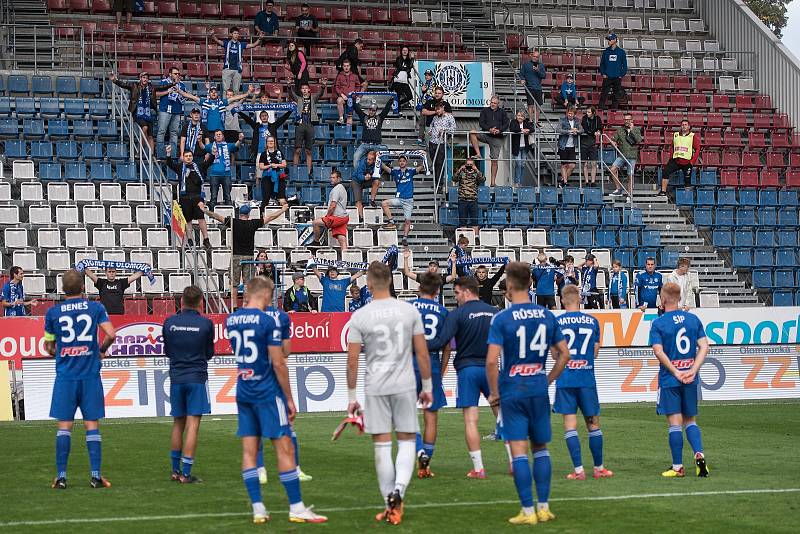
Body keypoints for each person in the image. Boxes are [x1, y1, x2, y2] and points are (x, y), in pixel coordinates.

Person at [226, 277, 327, 524]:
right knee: (283, 446)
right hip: (267, 392)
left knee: (249, 451)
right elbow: (279, 362)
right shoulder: (267, 321)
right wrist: (290, 399)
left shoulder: (231, 320)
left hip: (244, 390)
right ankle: (296, 507)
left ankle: (258, 509)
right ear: (266, 295)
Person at [346, 262, 433, 525]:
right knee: (407, 441)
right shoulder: (408, 310)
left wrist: (351, 398)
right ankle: (400, 491)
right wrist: (427, 387)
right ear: (391, 282)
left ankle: (390, 504)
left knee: (382, 446)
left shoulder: (360, 316)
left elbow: (352, 361)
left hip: (376, 386)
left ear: (369, 284)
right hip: (405, 383)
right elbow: (422, 352)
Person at [485, 262, 570, 525]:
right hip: (537, 387)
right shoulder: (547, 315)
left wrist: (494, 393)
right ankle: (544, 507)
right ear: (531, 284)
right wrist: (548, 380)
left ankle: (527, 511)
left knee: (519, 449)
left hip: (512, 388)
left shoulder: (501, 318)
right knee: (541, 448)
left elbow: (490, 361)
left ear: (509, 286)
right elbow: (564, 354)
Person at [45, 269, 116, 490]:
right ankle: (95, 476)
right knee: (91, 425)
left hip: (66, 376)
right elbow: (111, 334)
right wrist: (100, 351)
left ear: (63, 289)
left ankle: (61, 477)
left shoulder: (53, 313)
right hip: (90, 376)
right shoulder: (96, 308)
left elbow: (49, 345)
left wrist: (55, 351)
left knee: (64, 427)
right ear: (83, 288)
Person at [428, 276, 498, 479]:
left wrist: (417, 343)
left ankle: (478, 468)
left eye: (457, 293)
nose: (455, 297)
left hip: (468, 369)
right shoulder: (495, 312)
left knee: (470, 420)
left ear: (466, 291)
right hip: (491, 368)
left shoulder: (457, 314)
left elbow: (441, 341)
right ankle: (514, 463)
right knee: (503, 417)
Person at [649, 282, 710, 478]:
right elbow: (704, 347)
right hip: (690, 378)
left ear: (663, 299)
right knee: (690, 421)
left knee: (675, 423)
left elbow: (658, 351)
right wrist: (692, 369)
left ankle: (678, 467)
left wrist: (676, 371)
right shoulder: (693, 320)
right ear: (680, 298)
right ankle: (699, 456)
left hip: (670, 379)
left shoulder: (658, 323)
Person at [553, 285, 612, 481]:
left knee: (570, 424)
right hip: (586, 378)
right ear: (579, 298)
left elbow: (555, 354)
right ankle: (599, 468)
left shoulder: (557, 322)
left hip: (565, 378)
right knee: (593, 423)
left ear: (562, 300)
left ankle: (578, 471)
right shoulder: (592, 321)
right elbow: (595, 352)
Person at [262, 278, 312, 482]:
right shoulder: (281, 317)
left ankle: (259, 471)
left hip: (254, 376)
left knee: (255, 427)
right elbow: (287, 351)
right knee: (287, 426)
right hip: (276, 373)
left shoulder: (245, 317)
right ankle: (295, 468)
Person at [163, 286, 214, 484]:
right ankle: (186, 473)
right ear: (201, 301)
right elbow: (209, 353)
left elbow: (167, 350)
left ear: (182, 300)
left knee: (178, 423)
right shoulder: (205, 324)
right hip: (197, 377)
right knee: (193, 425)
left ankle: (175, 471)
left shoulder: (170, 323)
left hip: (176, 376)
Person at [410, 272, 451, 478]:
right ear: (437, 291)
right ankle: (425, 466)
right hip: (432, 363)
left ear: (419, 288)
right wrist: (441, 372)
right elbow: (446, 348)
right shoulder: (443, 312)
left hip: (409, 362)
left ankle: (418, 450)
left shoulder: (408, 307)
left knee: (406, 414)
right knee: (431, 417)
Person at [199, 202, 290, 293]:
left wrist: (204, 210)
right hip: (249, 256)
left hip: (236, 256)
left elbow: (217, 216)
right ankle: (246, 305)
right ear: (248, 214)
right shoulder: (253, 223)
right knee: (248, 284)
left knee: (234, 284)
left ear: (239, 214)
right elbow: (270, 217)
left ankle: (234, 306)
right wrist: (282, 210)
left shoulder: (234, 222)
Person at [164, 144, 214, 248]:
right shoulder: (179, 167)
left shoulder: (198, 166)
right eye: (186, 156)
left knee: (201, 217)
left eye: (190, 156)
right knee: (188, 220)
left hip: (197, 196)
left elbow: (208, 163)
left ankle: (206, 239)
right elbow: (169, 164)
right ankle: (190, 239)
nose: (188, 158)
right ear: (183, 157)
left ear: (192, 157)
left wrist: (213, 154)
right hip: (184, 197)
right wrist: (168, 154)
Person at [110, 71, 175, 152]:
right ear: (140, 78)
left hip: (148, 113)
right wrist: (115, 80)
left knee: (151, 136)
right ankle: (140, 148)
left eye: (147, 78)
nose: (145, 79)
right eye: (144, 77)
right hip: (137, 112)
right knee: (145, 127)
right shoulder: (134, 86)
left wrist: (173, 83)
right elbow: (124, 85)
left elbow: (162, 87)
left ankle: (151, 156)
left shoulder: (151, 87)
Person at [177, 83, 254, 145]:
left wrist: (247, 93)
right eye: (212, 92)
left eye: (215, 92)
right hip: (208, 131)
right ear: (209, 93)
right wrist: (180, 92)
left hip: (220, 131)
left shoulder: (222, 102)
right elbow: (192, 96)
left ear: (218, 94)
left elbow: (235, 98)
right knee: (209, 151)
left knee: (220, 150)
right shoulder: (204, 102)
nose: (213, 93)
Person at [381, 155, 426, 247]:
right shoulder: (395, 172)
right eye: (400, 161)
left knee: (407, 221)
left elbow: (422, 166)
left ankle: (404, 238)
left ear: (406, 162)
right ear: (398, 162)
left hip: (408, 200)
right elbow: (384, 167)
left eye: (403, 161)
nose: (402, 162)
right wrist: (378, 159)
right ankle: (391, 221)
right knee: (384, 203)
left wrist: (424, 157)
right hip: (399, 199)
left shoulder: (411, 171)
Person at [469, 95, 509, 187]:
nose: (493, 104)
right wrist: (489, 129)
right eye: (491, 102)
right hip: (486, 134)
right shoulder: (484, 110)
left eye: (495, 103)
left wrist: (499, 130)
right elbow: (481, 123)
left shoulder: (502, 112)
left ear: (498, 104)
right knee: (472, 132)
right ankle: (478, 154)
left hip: (497, 137)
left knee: (494, 161)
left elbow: (506, 123)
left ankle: (492, 182)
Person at [290, 81, 326, 178]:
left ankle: (308, 172)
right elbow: (291, 94)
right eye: (303, 88)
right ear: (301, 90)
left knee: (308, 151)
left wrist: (323, 86)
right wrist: (289, 86)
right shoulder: (299, 99)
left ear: (309, 90)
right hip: (300, 125)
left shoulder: (313, 99)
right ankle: (294, 171)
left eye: (306, 88)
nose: (305, 90)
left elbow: (320, 94)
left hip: (310, 125)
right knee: (297, 150)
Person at [211, 27, 263, 93]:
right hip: (227, 69)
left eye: (237, 33)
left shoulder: (241, 44)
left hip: (237, 70)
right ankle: (225, 103)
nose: (236, 35)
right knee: (225, 90)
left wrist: (259, 38)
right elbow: (217, 41)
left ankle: (235, 103)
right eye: (235, 33)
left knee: (236, 90)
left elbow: (253, 45)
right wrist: (212, 35)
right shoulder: (227, 43)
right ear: (231, 34)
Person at [309, 169, 350, 249]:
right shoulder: (342, 188)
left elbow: (333, 205)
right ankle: (346, 258)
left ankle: (316, 242)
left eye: (334, 177)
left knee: (315, 223)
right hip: (344, 217)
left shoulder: (336, 189)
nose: (331, 179)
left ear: (339, 179)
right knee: (342, 239)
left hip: (337, 217)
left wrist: (327, 216)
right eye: (331, 177)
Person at [659, 119, 701, 196]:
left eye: (685, 125)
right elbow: (672, 147)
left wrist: (692, 162)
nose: (684, 126)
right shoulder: (676, 135)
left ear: (689, 126)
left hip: (687, 162)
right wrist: (671, 157)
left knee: (687, 181)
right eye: (682, 125)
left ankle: (687, 197)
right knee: (665, 172)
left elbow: (698, 149)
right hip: (676, 160)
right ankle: (663, 191)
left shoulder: (693, 136)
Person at [204, 130, 244, 209]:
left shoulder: (228, 145)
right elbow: (203, 147)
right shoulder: (211, 146)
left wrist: (240, 140)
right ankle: (212, 217)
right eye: (217, 134)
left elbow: (236, 145)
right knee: (213, 198)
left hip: (226, 174)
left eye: (220, 134)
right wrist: (199, 141)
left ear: (222, 136)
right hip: (214, 175)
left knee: (228, 197)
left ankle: (229, 216)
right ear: (214, 137)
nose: (218, 136)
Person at [608, 113, 642, 202]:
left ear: (632, 120)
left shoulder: (637, 129)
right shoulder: (620, 130)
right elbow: (613, 139)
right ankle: (619, 189)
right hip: (622, 155)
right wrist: (613, 142)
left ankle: (629, 195)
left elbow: (639, 140)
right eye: (625, 119)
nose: (626, 121)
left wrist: (632, 130)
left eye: (628, 119)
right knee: (612, 169)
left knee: (630, 176)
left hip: (632, 156)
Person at [352, 99, 394, 168]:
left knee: (378, 160)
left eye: (373, 110)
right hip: (365, 144)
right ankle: (357, 174)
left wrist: (391, 100)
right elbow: (357, 110)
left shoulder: (379, 117)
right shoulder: (364, 117)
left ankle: (376, 175)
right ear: (368, 110)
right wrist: (352, 99)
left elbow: (386, 109)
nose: (371, 111)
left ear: (376, 111)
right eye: (370, 109)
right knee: (356, 156)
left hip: (376, 145)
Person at [156, 67, 186, 157]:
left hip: (177, 110)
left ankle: (172, 156)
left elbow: (184, 98)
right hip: (165, 109)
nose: (177, 75)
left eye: (178, 74)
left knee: (174, 133)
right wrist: (167, 92)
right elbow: (156, 94)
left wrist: (179, 92)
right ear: (170, 74)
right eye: (175, 73)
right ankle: (160, 155)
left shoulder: (182, 85)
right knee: (161, 131)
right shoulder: (164, 82)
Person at [453, 157, 485, 235]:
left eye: (471, 164)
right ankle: (464, 239)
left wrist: (476, 170)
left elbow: (482, 180)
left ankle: (475, 238)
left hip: (473, 200)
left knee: (474, 221)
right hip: (462, 200)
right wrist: (460, 169)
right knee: (463, 221)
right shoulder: (462, 172)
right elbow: (454, 179)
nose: (469, 166)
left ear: (473, 165)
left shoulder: (476, 173)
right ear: (465, 164)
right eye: (467, 164)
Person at [428, 101, 456, 182]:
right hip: (432, 142)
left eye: (438, 109)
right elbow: (431, 125)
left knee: (440, 163)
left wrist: (444, 131)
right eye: (436, 110)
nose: (437, 111)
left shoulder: (449, 117)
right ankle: (435, 182)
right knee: (434, 163)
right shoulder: (435, 117)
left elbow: (454, 129)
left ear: (443, 108)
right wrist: (430, 131)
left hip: (442, 143)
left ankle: (439, 184)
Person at [598, 33, 628, 110]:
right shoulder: (606, 52)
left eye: (610, 39)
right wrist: (603, 73)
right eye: (608, 40)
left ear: (615, 40)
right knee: (604, 93)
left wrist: (621, 74)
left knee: (616, 94)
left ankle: (614, 109)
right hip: (607, 77)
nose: (608, 41)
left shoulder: (621, 52)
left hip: (617, 77)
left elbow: (624, 65)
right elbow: (602, 64)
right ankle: (600, 107)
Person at [334, 59, 368, 125]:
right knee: (339, 100)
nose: (346, 67)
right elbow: (336, 87)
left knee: (350, 117)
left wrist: (354, 94)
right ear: (343, 67)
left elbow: (358, 86)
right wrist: (342, 95)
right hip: (343, 97)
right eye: (344, 66)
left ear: (350, 66)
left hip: (352, 98)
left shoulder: (355, 76)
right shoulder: (339, 76)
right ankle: (341, 118)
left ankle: (348, 131)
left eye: (347, 66)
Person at [256, 136, 288, 206]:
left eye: (272, 141)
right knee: (266, 197)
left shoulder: (279, 152)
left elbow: (284, 164)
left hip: (279, 176)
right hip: (267, 176)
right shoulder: (263, 154)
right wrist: (270, 166)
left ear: (274, 143)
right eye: (269, 141)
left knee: (282, 198)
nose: (270, 142)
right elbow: (261, 166)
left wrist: (276, 165)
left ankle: (283, 214)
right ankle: (263, 214)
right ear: (266, 143)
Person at [517, 50, 547, 124]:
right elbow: (521, 74)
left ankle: (536, 121)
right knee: (530, 104)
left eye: (536, 57)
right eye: (534, 56)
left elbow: (544, 76)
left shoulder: (541, 65)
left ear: (538, 58)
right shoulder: (526, 65)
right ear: (531, 56)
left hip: (538, 88)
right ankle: (530, 120)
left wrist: (538, 70)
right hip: (529, 87)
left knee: (538, 105)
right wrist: (522, 79)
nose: (535, 58)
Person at [556, 106, 582, 187]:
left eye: (571, 114)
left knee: (572, 165)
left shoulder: (577, 121)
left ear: (574, 114)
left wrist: (577, 131)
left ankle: (562, 181)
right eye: (569, 113)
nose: (570, 115)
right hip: (563, 145)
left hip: (572, 146)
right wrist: (568, 131)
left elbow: (582, 130)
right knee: (564, 165)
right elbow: (558, 129)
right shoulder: (562, 120)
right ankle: (566, 182)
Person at [353, 150, 381, 220]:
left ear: (374, 160)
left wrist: (370, 177)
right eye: (368, 159)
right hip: (357, 181)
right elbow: (359, 175)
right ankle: (361, 218)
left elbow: (377, 174)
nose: (368, 161)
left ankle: (372, 200)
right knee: (358, 200)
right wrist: (364, 177)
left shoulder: (377, 163)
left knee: (377, 181)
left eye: (370, 160)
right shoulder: (362, 163)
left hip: (367, 180)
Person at [510, 110, 534, 186]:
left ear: (524, 117)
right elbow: (512, 129)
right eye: (518, 115)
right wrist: (521, 130)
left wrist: (528, 130)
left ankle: (520, 182)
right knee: (518, 163)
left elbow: (532, 129)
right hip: (516, 147)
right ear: (516, 116)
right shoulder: (513, 122)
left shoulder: (526, 122)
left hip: (525, 147)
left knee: (523, 164)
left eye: (521, 116)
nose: (520, 117)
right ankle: (517, 182)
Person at [580, 107, 603, 185]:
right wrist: (594, 133)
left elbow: (600, 127)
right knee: (585, 163)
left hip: (593, 143)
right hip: (584, 142)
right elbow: (585, 129)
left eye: (589, 112)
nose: (587, 113)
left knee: (593, 163)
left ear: (593, 113)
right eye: (587, 112)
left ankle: (593, 181)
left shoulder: (597, 118)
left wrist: (599, 131)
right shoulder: (584, 118)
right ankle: (586, 181)